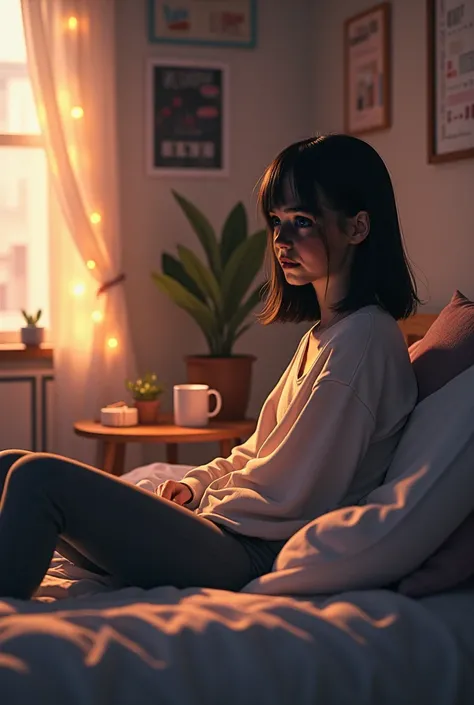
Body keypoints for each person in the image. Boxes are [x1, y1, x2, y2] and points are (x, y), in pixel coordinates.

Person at [0, 134, 419, 600]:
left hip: (248, 550)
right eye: (276, 221)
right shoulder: (324, 336)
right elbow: (259, 451)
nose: (281, 240)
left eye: (302, 221)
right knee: (10, 466)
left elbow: (302, 493)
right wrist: (196, 484)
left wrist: (208, 510)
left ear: (358, 228)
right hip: (230, 529)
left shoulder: (364, 341)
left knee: (38, 479)